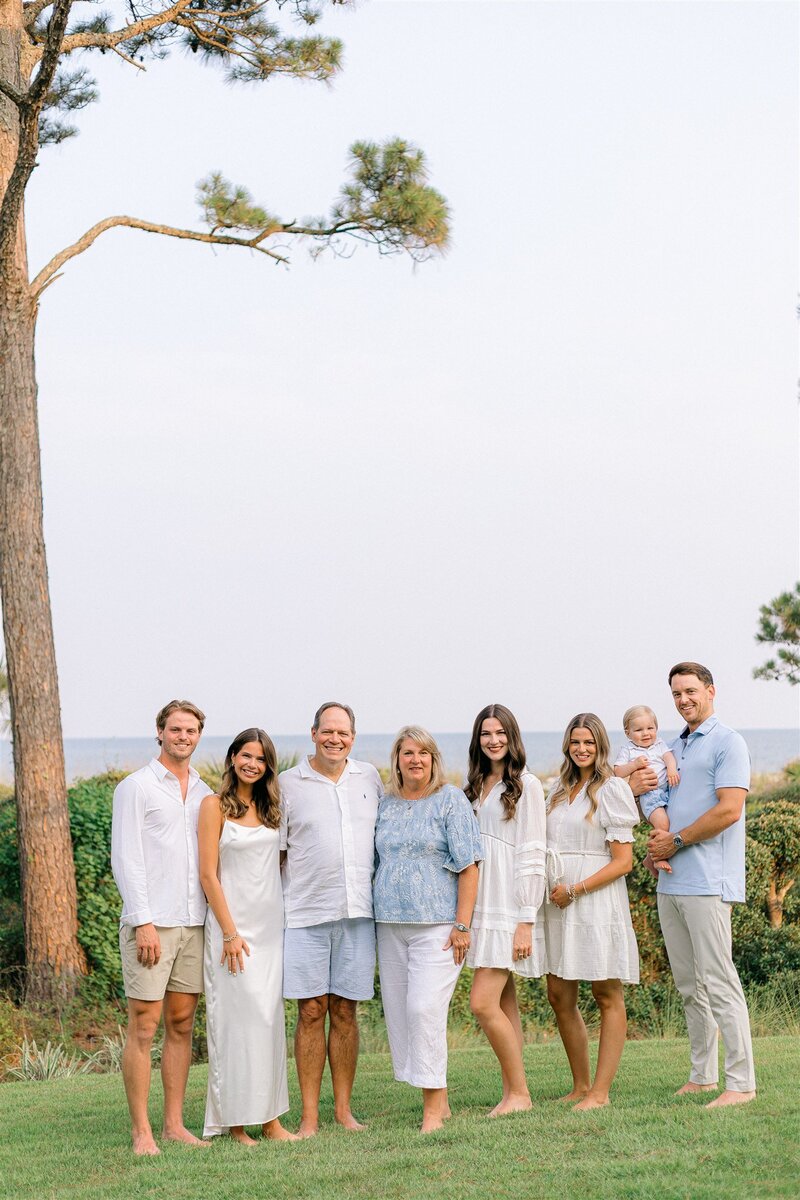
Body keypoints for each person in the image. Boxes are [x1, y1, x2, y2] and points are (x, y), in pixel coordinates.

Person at [633, 662, 756, 1108]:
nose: (683, 700)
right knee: (689, 986)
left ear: (710, 691)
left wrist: (676, 841)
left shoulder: (728, 742)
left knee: (719, 981)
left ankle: (740, 1084)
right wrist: (655, 850)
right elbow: (667, 808)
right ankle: (702, 1076)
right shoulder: (674, 747)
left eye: (690, 691)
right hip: (672, 884)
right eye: (676, 694)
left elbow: (729, 811)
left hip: (708, 881)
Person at [111, 700, 212, 1156]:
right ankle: (141, 1131)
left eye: (191, 731)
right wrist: (143, 922)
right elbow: (126, 857)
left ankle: (173, 1124)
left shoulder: (206, 791)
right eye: (175, 729)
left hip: (195, 922)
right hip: (152, 924)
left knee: (181, 1022)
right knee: (144, 1026)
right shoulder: (137, 787)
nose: (183, 737)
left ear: (198, 735)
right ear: (159, 732)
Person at [279, 702, 383, 1137]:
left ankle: (343, 1110)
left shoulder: (370, 778)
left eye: (343, 732)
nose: (335, 739)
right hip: (304, 914)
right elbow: (278, 852)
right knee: (310, 1011)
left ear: (353, 737)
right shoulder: (287, 783)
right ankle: (309, 1117)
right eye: (327, 731)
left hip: (359, 914)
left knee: (344, 1011)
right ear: (313, 733)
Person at [374, 726, 483, 1132]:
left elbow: (470, 865)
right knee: (403, 1015)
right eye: (407, 753)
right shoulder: (385, 803)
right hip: (389, 924)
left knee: (425, 1009)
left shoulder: (449, 800)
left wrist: (462, 924)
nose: (415, 759)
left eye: (423, 752)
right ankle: (442, 1099)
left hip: (438, 926)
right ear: (397, 760)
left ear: (433, 759)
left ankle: (433, 1111)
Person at [198, 728, 297, 1144]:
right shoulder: (213, 806)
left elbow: (277, 866)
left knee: (269, 1021)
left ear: (268, 765)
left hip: (271, 930)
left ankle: (271, 1120)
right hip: (231, 933)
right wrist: (229, 932)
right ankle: (236, 1123)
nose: (252, 764)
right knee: (238, 1024)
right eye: (246, 756)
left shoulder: (273, 808)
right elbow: (208, 874)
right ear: (232, 757)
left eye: (260, 759)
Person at [544, 712, 639, 1111]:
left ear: (601, 746)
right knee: (558, 993)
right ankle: (580, 1084)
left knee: (605, 991)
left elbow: (624, 861)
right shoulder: (556, 789)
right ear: (567, 745)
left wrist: (577, 889)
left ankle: (600, 1092)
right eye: (576, 742)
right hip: (556, 899)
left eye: (590, 742)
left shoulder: (613, 789)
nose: (582, 749)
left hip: (594, 897)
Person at [464, 704, 547, 1116]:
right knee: (504, 1003)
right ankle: (514, 1090)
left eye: (499, 733)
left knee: (481, 1003)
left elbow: (533, 853)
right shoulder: (476, 783)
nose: (493, 740)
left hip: (507, 906)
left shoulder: (526, 785)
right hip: (478, 904)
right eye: (485, 734)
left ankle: (519, 1094)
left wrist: (526, 919)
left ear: (511, 736)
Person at [613, 705, 679, 871]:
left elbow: (669, 757)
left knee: (672, 823)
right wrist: (634, 765)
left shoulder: (659, 744)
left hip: (668, 790)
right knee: (663, 824)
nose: (646, 733)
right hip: (650, 794)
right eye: (639, 730)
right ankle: (656, 858)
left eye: (650, 728)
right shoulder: (628, 750)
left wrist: (671, 769)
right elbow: (618, 771)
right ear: (627, 732)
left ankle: (649, 859)